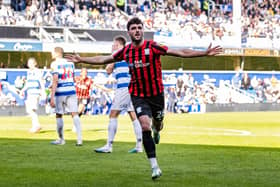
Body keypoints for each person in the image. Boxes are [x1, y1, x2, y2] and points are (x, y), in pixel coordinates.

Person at [65, 17, 222, 180]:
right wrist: (82, 59)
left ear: (143, 30)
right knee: (144, 125)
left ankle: (157, 128)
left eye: (139, 27)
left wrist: (204, 53)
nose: (137, 30)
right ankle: (154, 167)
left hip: (156, 94)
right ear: (129, 32)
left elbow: (180, 52)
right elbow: (103, 59)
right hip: (138, 95)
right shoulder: (125, 51)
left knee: (158, 123)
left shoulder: (153, 46)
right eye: (133, 28)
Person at [94, 36, 143, 154]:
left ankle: (109, 145)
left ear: (120, 45)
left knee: (113, 114)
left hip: (124, 88)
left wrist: (114, 55)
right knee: (133, 115)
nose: (113, 47)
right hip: (133, 87)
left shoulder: (120, 55)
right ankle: (139, 145)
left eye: (114, 45)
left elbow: (108, 69)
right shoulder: (130, 54)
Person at [50, 47, 82, 146]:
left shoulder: (54, 64)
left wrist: (52, 97)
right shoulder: (70, 63)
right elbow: (72, 78)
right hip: (71, 90)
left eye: (52, 52)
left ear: (56, 53)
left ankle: (61, 139)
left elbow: (55, 80)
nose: (51, 54)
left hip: (60, 92)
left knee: (59, 114)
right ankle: (79, 140)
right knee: (75, 114)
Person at [21, 58, 44, 133]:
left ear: (35, 63)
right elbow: (27, 83)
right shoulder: (29, 72)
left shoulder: (37, 71)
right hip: (29, 92)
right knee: (29, 110)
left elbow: (41, 81)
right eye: (28, 63)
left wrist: (43, 92)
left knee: (32, 109)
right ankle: (35, 125)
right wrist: (23, 90)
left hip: (35, 92)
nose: (29, 65)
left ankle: (36, 126)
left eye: (31, 63)